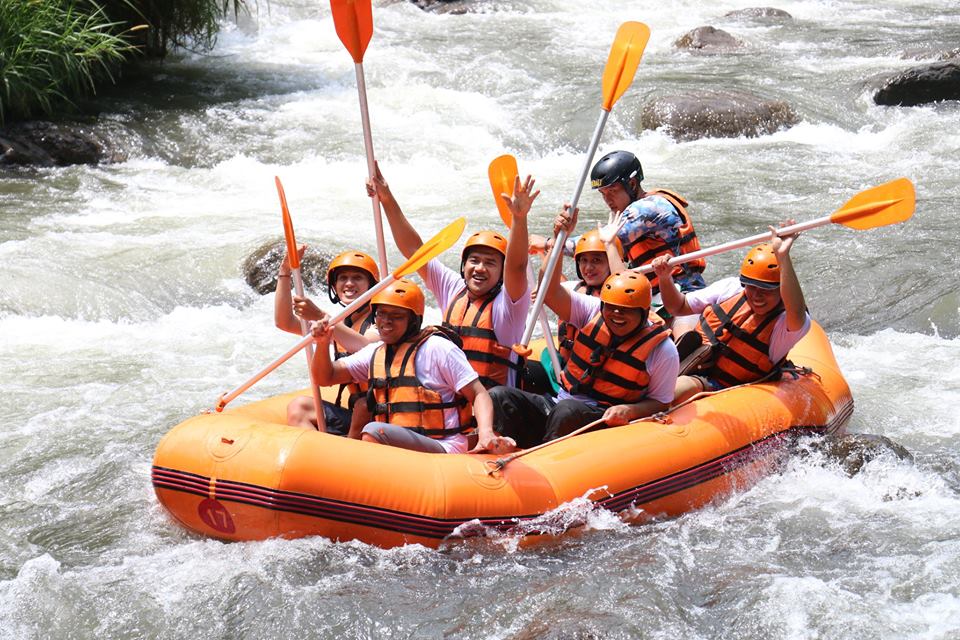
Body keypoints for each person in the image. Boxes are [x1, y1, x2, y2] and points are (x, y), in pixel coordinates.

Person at [488, 209, 680, 447]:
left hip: (602, 418)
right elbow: (549, 291)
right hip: (562, 402)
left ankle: (547, 461)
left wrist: (630, 410)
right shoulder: (592, 309)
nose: (617, 315)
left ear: (642, 312)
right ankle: (502, 452)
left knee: (567, 411)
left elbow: (661, 402)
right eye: (611, 308)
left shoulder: (663, 351)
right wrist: (559, 238)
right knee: (500, 395)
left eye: (626, 310)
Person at [367, 162, 535, 389]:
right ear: (464, 265)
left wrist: (519, 218)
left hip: (493, 407)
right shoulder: (453, 288)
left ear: (501, 271)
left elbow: (516, 266)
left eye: (490, 263)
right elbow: (415, 251)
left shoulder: (510, 306)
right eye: (474, 261)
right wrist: (386, 199)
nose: (480, 268)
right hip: (452, 404)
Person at [309, 278, 513, 454]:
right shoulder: (376, 352)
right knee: (366, 413)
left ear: (413, 321)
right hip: (402, 447)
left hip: (442, 446)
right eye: (381, 314)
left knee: (374, 431)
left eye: (397, 316)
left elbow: (478, 393)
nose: (386, 321)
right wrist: (322, 343)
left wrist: (485, 432)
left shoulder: (438, 349)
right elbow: (325, 377)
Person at [652, 222, 809, 404]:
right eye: (751, 287)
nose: (757, 295)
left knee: (678, 388)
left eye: (766, 290)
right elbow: (678, 307)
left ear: (781, 290)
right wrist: (664, 278)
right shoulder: (731, 288)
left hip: (723, 386)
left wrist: (783, 256)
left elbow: (797, 313)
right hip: (695, 361)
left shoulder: (786, 322)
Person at [275, 247, 380, 432]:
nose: (348, 283)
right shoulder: (342, 322)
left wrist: (318, 314)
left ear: (371, 285)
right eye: (342, 278)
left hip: (380, 415)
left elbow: (367, 347)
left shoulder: (382, 319)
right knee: (299, 407)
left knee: (363, 407)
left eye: (357, 277)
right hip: (356, 410)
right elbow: (284, 322)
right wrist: (285, 273)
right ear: (334, 285)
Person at [588, 150, 706, 296]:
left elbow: (592, 245)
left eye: (612, 191)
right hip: (655, 293)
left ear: (631, 184)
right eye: (603, 193)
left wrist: (555, 243)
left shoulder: (648, 208)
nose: (608, 199)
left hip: (684, 290)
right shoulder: (637, 208)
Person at [555, 228, 623, 365]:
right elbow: (551, 287)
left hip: (595, 373)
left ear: (611, 262)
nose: (588, 267)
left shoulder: (622, 299)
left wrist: (610, 245)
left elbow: (623, 284)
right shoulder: (572, 287)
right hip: (564, 367)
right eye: (583, 260)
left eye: (596, 260)